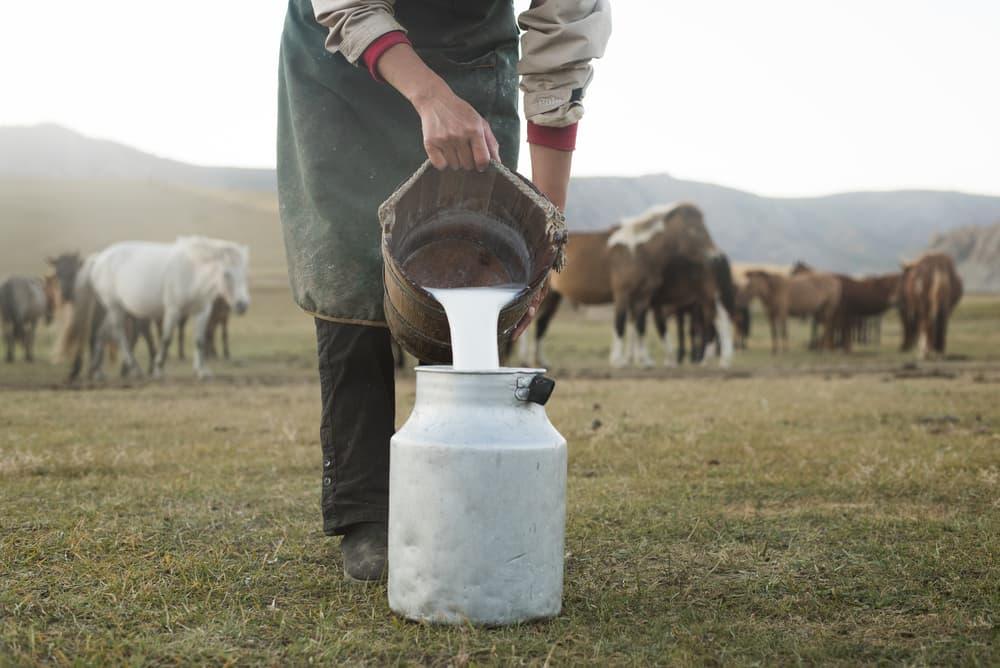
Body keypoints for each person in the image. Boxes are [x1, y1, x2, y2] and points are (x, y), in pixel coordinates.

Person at [277, 0, 611, 582]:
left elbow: (563, 46)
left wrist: (546, 233)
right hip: (347, 60)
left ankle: (465, 491)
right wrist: (429, 97)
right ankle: (367, 515)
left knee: (488, 247)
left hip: (472, 56)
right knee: (352, 268)